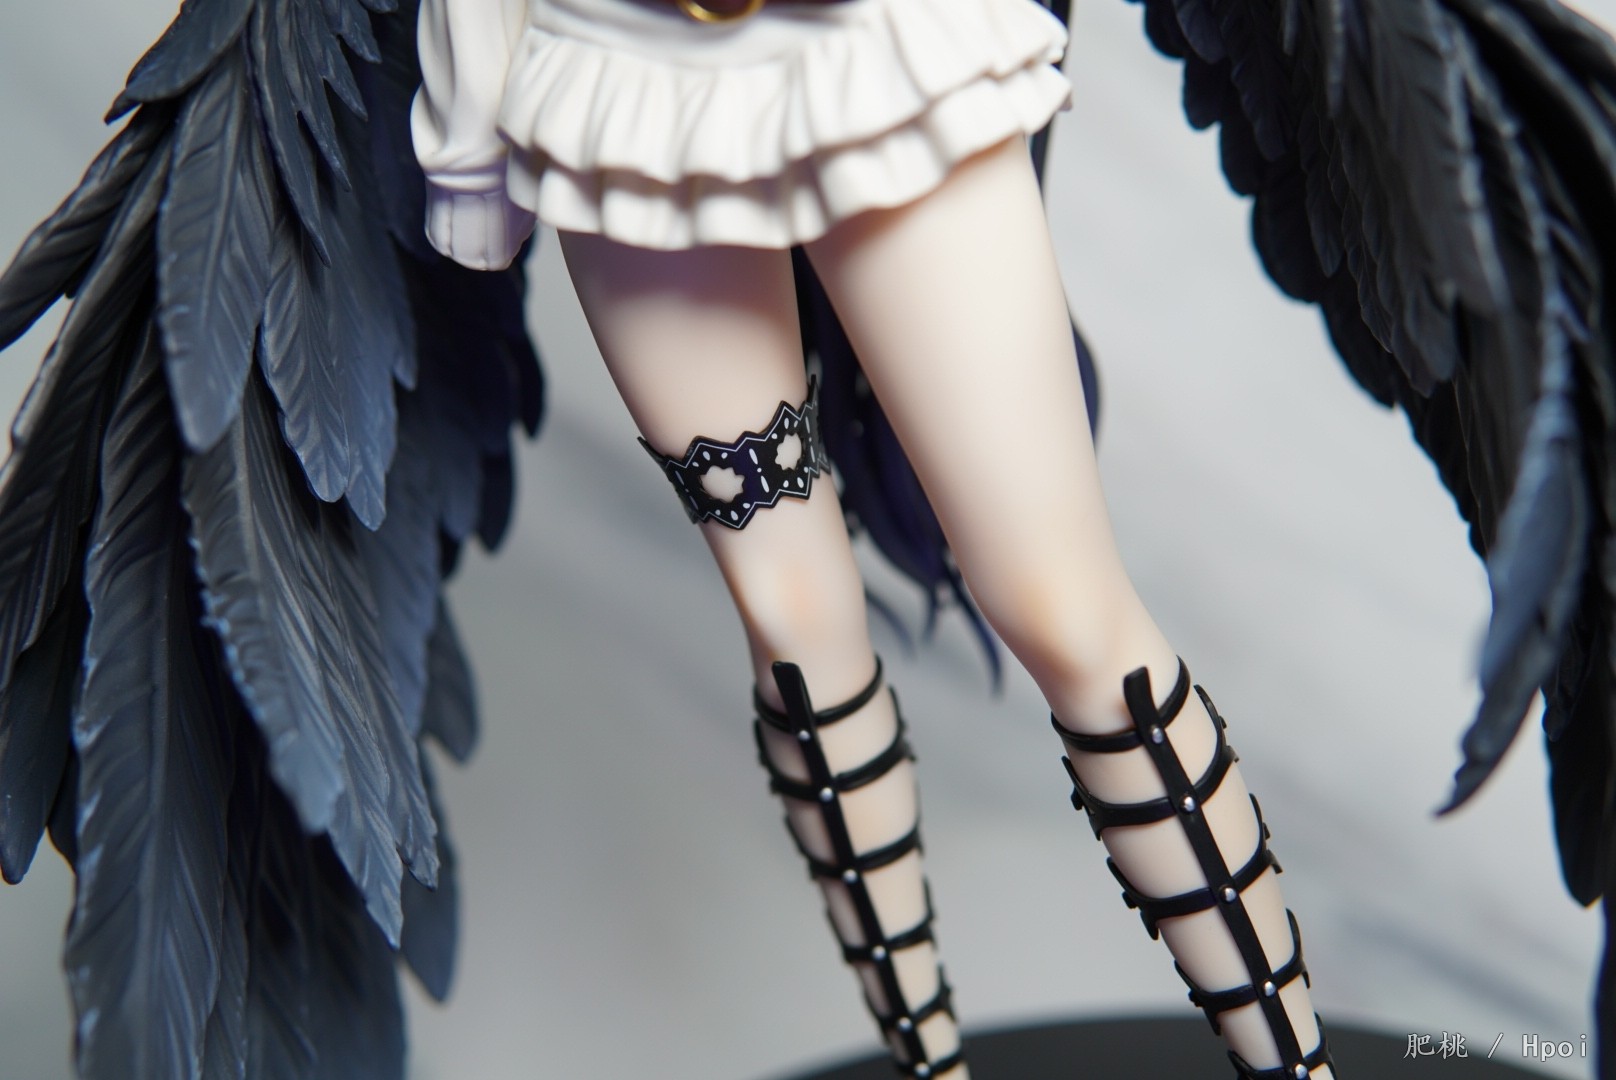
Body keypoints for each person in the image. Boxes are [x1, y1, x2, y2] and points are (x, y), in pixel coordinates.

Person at [412, 0, 1336, 1077]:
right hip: (615, 74)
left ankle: (1292, 1069)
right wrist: (469, 136)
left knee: (1063, 611)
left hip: (876, 56)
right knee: (794, 627)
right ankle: (928, 1066)